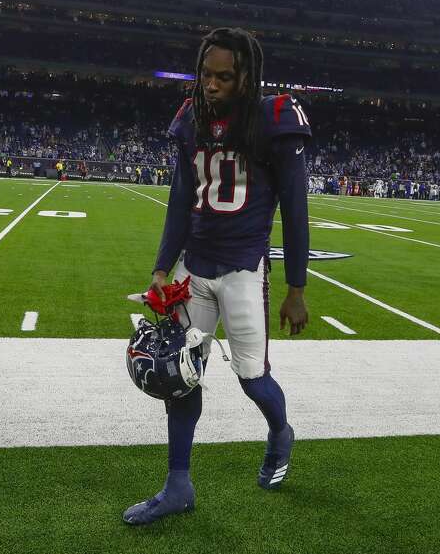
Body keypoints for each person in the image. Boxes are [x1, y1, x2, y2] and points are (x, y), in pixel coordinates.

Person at [124, 27, 311, 525]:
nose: (211, 85)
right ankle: (177, 485)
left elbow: (295, 209)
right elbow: (181, 199)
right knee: (179, 375)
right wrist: (162, 267)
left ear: (247, 77)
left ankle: (279, 432)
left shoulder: (276, 119)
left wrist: (296, 287)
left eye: (223, 77)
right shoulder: (190, 119)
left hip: (244, 269)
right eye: (206, 74)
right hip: (195, 267)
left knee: (252, 379)